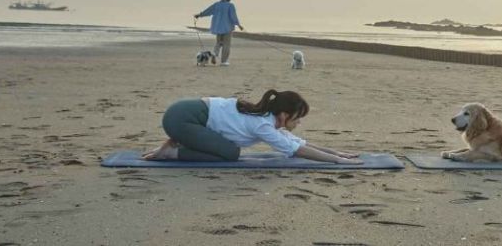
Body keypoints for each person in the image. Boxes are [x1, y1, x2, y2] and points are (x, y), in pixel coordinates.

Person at [141, 88, 361, 164]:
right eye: (297, 118)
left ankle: (172, 145)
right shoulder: (263, 126)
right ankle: (172, 153)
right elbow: (297, 150)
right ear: (284, 116)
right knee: (229, 153)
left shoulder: (267, 118)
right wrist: (336, 161)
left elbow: (298, 143)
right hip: (182, 118)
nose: (299, 123)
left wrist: (337, 153)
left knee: (225, 149)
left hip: (183, 113)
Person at [195, 0, 243, 66]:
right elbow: (233, 16)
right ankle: (224, 61)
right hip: (227, 28)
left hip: (218, 28)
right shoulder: (230, 5)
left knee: (218, 43)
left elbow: (208, 11)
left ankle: (215, 53)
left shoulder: (216, 4)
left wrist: (199, 15)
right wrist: (238, 25)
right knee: (226, 45)